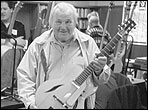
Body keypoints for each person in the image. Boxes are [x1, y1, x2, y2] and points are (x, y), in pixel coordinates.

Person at [17, 2, 111, 109]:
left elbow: (102, 80)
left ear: (76, 23)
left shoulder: (88, 43)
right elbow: (25, 76)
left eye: (68, 22)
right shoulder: (38, 45)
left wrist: (99, 71)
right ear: (51, 23)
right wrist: (31, 104)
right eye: (58, 22)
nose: (63, 27)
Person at [1, 1, 27, 90]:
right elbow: (17, 41)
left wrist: (9, 42)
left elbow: (23, 43)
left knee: (12, 53)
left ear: (12, 10)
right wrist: (13, 40)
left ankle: (7, 85)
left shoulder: (19, 25)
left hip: (15, 52)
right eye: (0, 9)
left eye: (5, 9)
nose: (2, 11)